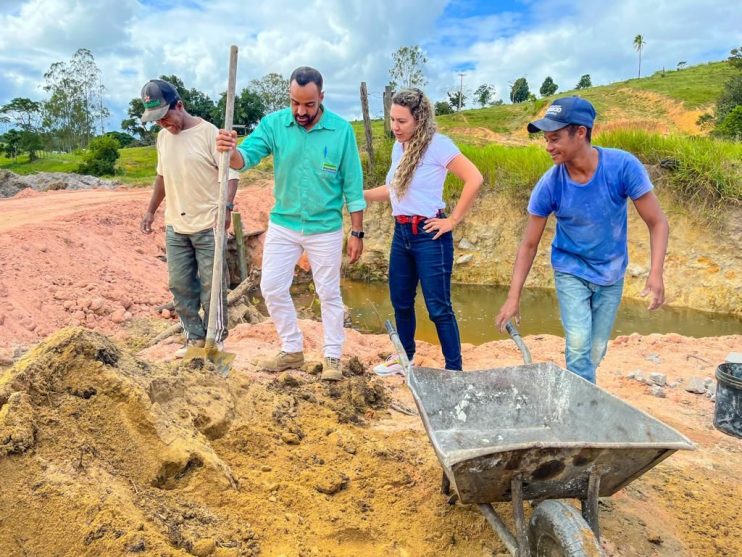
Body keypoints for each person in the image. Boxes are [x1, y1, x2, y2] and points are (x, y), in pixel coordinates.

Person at [495, 96, 669, 383]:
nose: (548, 147)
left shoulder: (623, 167)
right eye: (546, 140)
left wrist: (656, 273)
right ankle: (581, 410)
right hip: (570, 269)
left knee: (595, 351)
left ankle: (581, 395)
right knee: (577, 346)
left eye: (555, 138)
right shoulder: (550, 184)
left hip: (611, 274)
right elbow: (528, 245)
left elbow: (657, 222)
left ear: (581, 132)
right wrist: (513, 298)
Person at [216, 67, 365, 381]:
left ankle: (333, 357)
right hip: (284, 223)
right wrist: (230, 151)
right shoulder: (274, 124)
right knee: (271, 287)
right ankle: (292, 349)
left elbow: (353, 185)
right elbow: (246, 157)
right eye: (295, 103)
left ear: (321, 98)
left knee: (329, 294)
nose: (301, 111)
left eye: (309, 104)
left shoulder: (341, 131)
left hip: (325, 227)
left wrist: (357, 231)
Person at [364, 88, 483, 374]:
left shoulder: (438, 145)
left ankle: (454, 370)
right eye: (392, 119)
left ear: (419, 119)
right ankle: (403, 359)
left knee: (438, 308)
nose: (395, 127)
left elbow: (474, 178)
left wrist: (452, 220)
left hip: (430, 236)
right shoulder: (398, 148)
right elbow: (394, 191)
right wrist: (361, 194)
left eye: (402, 121)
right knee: (401, 301)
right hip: (401, 233)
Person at [139, 79, 239, 358]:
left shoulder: (210, 134)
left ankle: (214, 342)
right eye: (156, 120)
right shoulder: (162, 138)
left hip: (208, 224)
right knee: (180, 286)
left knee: (212, 287)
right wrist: (151, 210)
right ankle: (193, 339)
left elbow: (231, 175)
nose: (163, 124)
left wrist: (226, 208)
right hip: (176, 225)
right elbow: (162, 176)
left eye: (165, 116)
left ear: (179, 105)